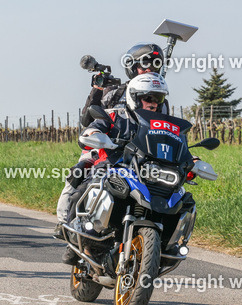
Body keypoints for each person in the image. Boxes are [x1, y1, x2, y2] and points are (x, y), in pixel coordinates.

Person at [56, 73, 170, 264]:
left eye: (158, 99)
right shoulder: (116, 115)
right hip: (112, 166)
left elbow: (174, 144)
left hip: (146, 173)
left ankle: (163, 245)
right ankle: (75, 238)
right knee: (83, 188)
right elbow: (95, 126)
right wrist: (94, 132)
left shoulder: (162, 126)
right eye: (148, 98)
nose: (153, 104)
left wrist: (189, 156)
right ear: (134, 97)